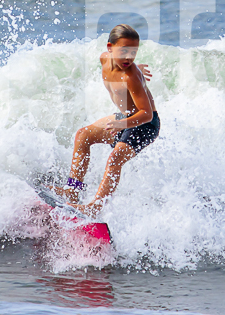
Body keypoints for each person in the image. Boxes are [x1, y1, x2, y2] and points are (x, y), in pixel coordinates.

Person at [54, 24, 159, 215]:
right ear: (110, 48)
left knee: (114, 159)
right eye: (124, 51)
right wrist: (137, 69)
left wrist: (136, 72)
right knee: (83, 135)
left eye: (133, 52)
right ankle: (72, 191)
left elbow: (146, 113)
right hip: (126, 117)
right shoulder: (104, 58)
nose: (129, 57)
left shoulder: (131, 76)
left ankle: (95, 208)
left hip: (145, 124)